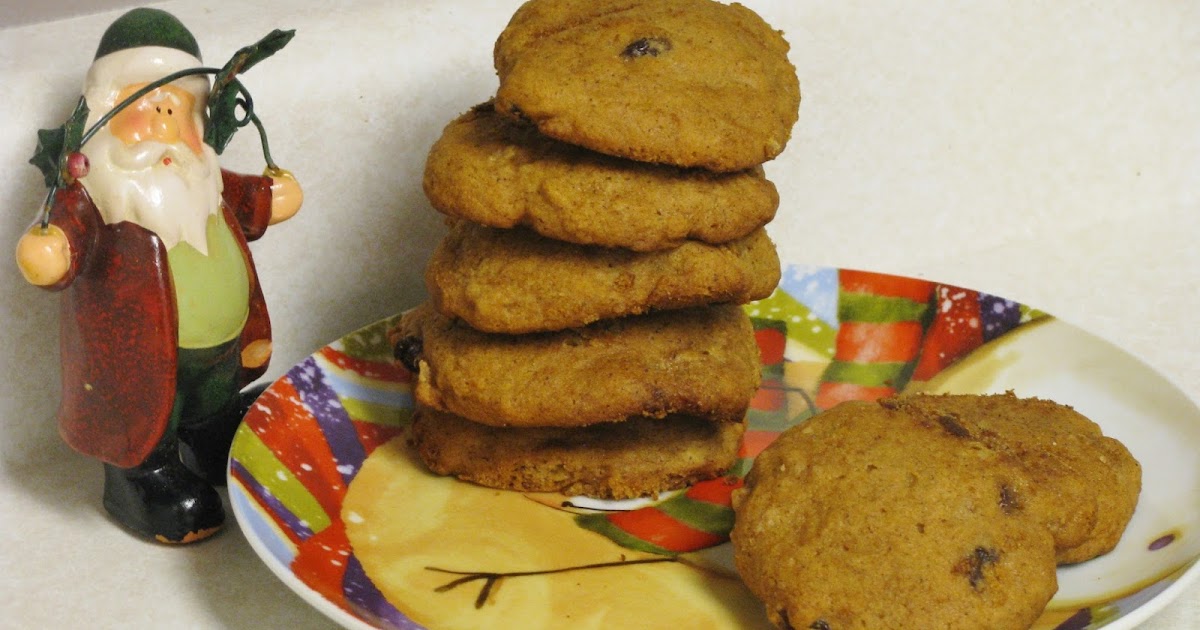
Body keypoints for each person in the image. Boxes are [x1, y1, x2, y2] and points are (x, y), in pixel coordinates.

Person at [14, 8, 302, 543]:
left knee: (214, 396)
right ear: (105, 111)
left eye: (180, 108)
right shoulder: (98, 190)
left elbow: (241, 199)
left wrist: (270, 196)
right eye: (147, 105)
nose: (166, 120)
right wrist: (50, 250)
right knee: (147, 414)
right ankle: (144, 477)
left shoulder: (202, 175)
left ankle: (213, 438)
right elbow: (65, 235)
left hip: (221, 345)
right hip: (138, 357)